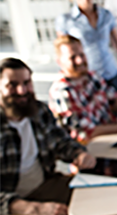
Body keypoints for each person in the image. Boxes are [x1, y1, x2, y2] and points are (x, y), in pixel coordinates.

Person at [0, 58, 96, 215]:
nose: (22, 91)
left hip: (46, 185)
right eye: (12, 85)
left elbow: (61, 142)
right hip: (12, 205)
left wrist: (79, 154)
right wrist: (31, 208)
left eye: (26, 83)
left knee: (102, 193)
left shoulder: (39, 111)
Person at [49, 35, 117, 143]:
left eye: (82, 55)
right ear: (59, 62)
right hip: (95, 145)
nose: (80, 60)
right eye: (72, 57)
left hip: (114, 133)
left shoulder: (92, 76)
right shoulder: (62, 92)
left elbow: (113, 99)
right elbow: (85, 133)